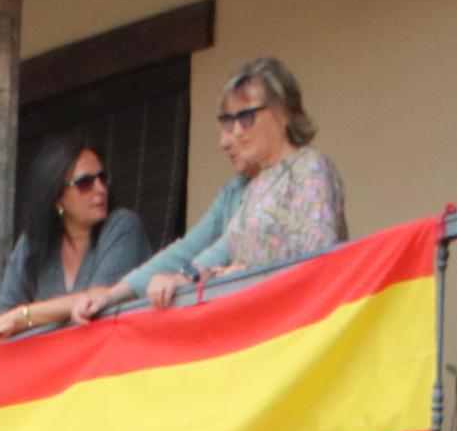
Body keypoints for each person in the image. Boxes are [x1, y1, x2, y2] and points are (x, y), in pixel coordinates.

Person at [95, 55, 347, 316]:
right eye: (230, 121)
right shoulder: (255, 186)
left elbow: (318, 258)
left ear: (282, 112)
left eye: (247, 117)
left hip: (303, 320)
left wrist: (241, 273)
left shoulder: (310, 167)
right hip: (263, 322)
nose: (236, 132)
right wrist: (182, 278)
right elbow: (216, 250)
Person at [0, 133, 156, 343]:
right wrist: (17, 318)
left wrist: (24, 315)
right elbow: (3, 323)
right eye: (85, 183)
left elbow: (100, 298)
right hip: (55, 371)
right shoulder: (32, 243)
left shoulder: (122, 225)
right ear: (56, 196)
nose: (100, 189)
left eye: (103, 178)